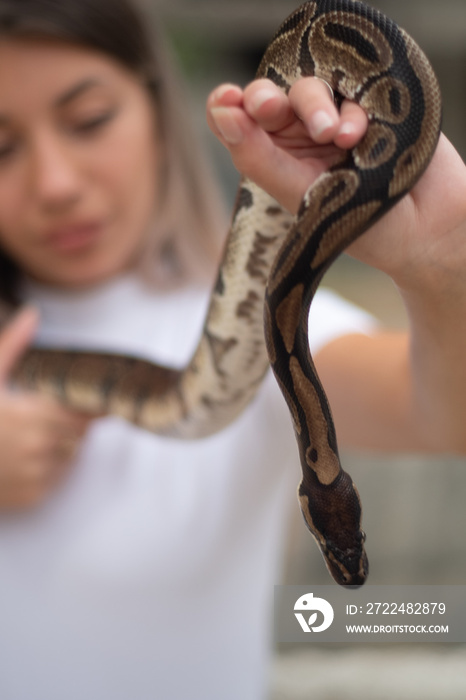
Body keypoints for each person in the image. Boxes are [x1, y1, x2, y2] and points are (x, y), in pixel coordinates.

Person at [0, 0, 465, 699]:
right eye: (1, 147)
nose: (57, 185)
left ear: (160, 113)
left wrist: (441, 258)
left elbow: (446, 419)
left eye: (91, 120)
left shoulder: (286, 333)